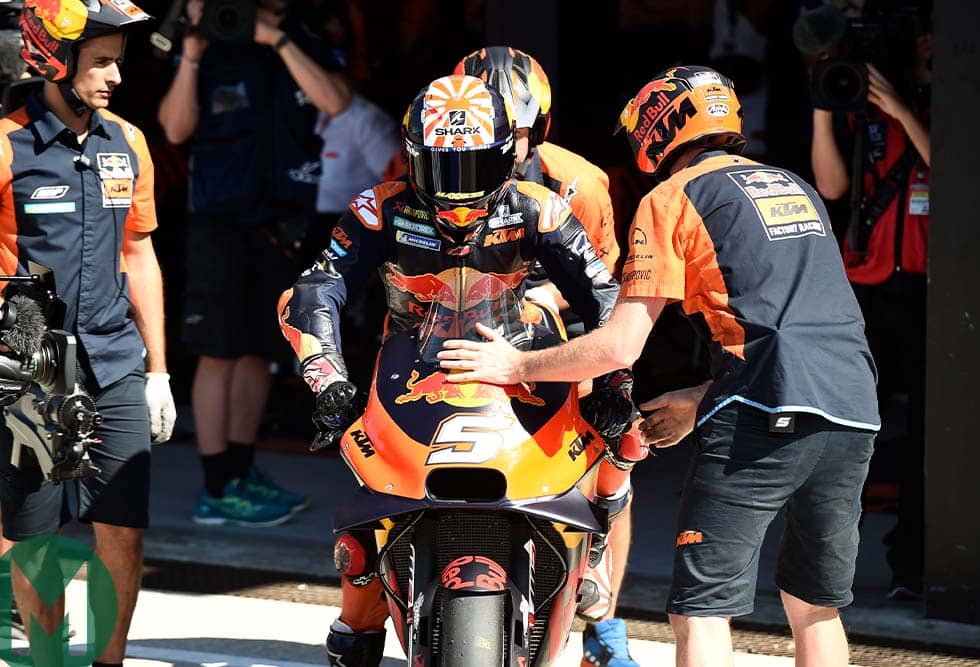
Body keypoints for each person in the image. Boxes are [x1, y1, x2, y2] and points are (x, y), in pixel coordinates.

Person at [438, 65, 880, 667]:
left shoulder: (671, 198)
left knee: (700, 610)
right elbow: (797, 329)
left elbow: (621, 345)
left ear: (660, 125)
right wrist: (703, 397)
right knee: (814, 605)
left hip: (762, 411)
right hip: (855, 407)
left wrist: (516, 364)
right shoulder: (791, 184)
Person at [277, 74, 633, 667]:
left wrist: (615, 386)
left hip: (516, 359)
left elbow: (605, 294)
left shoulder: (539, 207)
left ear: (507, 156)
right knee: (370, 506)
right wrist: (327, 380)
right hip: (411, 367)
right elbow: (317, 286)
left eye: (472, 170)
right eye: (443, 169)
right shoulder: (379, 207)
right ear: (414, 159)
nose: (456, 191)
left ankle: (591, 547)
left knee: (625, 433)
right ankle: (358, 619)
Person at [0, 0, 176, 664]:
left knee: (123, 531)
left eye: (118, 64)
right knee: (36, 538)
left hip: (115, 360)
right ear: (55, 58)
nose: (115, 78)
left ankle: (110, 660)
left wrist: (157, 370)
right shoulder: (5, 145)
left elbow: (139, 256)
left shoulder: (128, 143)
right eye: (101, 63)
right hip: (28, 369)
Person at [454, 45, 638, 667]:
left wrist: (538, 297)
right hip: (465, 335)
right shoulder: (429, 160)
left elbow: (605, 285)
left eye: (508, 127)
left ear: (534, 127)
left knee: (610, 453)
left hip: (559, 341)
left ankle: (605, 629)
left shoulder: (580, 182)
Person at [158, 0, 351, 526]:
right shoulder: (210, 44)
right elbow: (174, 130)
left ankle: (240, 470)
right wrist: (193, 53)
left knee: (260, 352)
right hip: (218, 222)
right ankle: (216, 484)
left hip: (282, 224)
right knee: (218, 351)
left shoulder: (301, 35)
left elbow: (336, 102)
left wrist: (278, 40)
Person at [809, 2, 932, 601]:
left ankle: (913, 565)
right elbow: (830, 186)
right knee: (852, 426)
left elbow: (956, 173)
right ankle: (832, 566)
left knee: (931, 433)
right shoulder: (856, 106)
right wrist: (826, 104)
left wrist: (904, 111)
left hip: (934, 289)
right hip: (868, 286)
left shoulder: (946, 101)